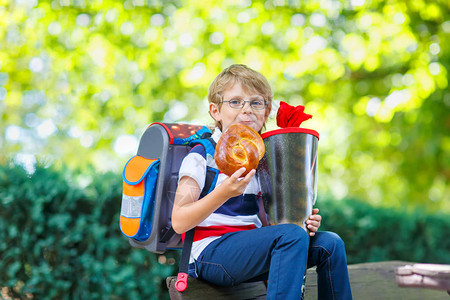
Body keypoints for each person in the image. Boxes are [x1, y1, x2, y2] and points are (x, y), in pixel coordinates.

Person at [171, 64, 352, 300]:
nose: (247, 110)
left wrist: (302, 221)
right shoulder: (201, 155)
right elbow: (179, 221)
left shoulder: (265, 161)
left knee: (330, 243)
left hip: (251, 254)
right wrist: (223, 193)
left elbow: (271, 229)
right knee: (290, 236)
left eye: (256, 103)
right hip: (209, 253)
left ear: (266, 113)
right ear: (215, 111)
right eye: (235, 102)